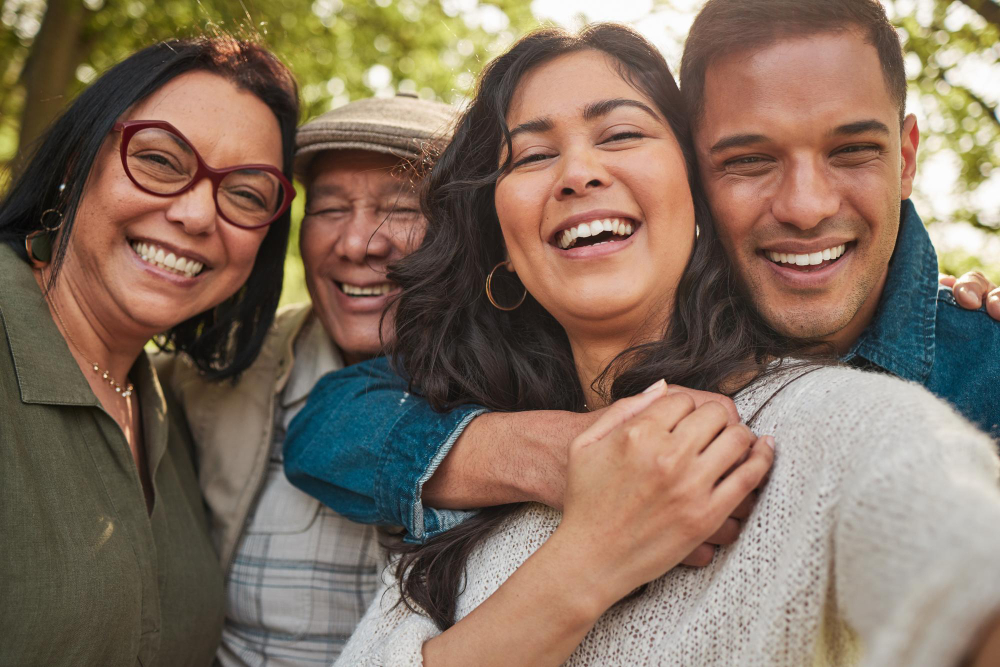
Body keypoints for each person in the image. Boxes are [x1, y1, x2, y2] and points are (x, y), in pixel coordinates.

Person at [291, 22, 1000, 666]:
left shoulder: (844, 420)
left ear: (695, 196)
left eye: (623, 135)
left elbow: (941, 541)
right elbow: (328, 424)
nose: (578, 173)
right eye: (533, 154)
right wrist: (588, 526)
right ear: (497, 238)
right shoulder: (470, 492)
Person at [0, 37, 298, 666]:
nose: (195, 214)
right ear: (78, 157)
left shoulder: (170, 404)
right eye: (162, 160)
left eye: (246, 194)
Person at [155, 93, 456, 665]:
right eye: (330, 209)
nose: (356, 243)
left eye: (402, 206)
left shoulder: (527, 384)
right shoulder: (217, 374)